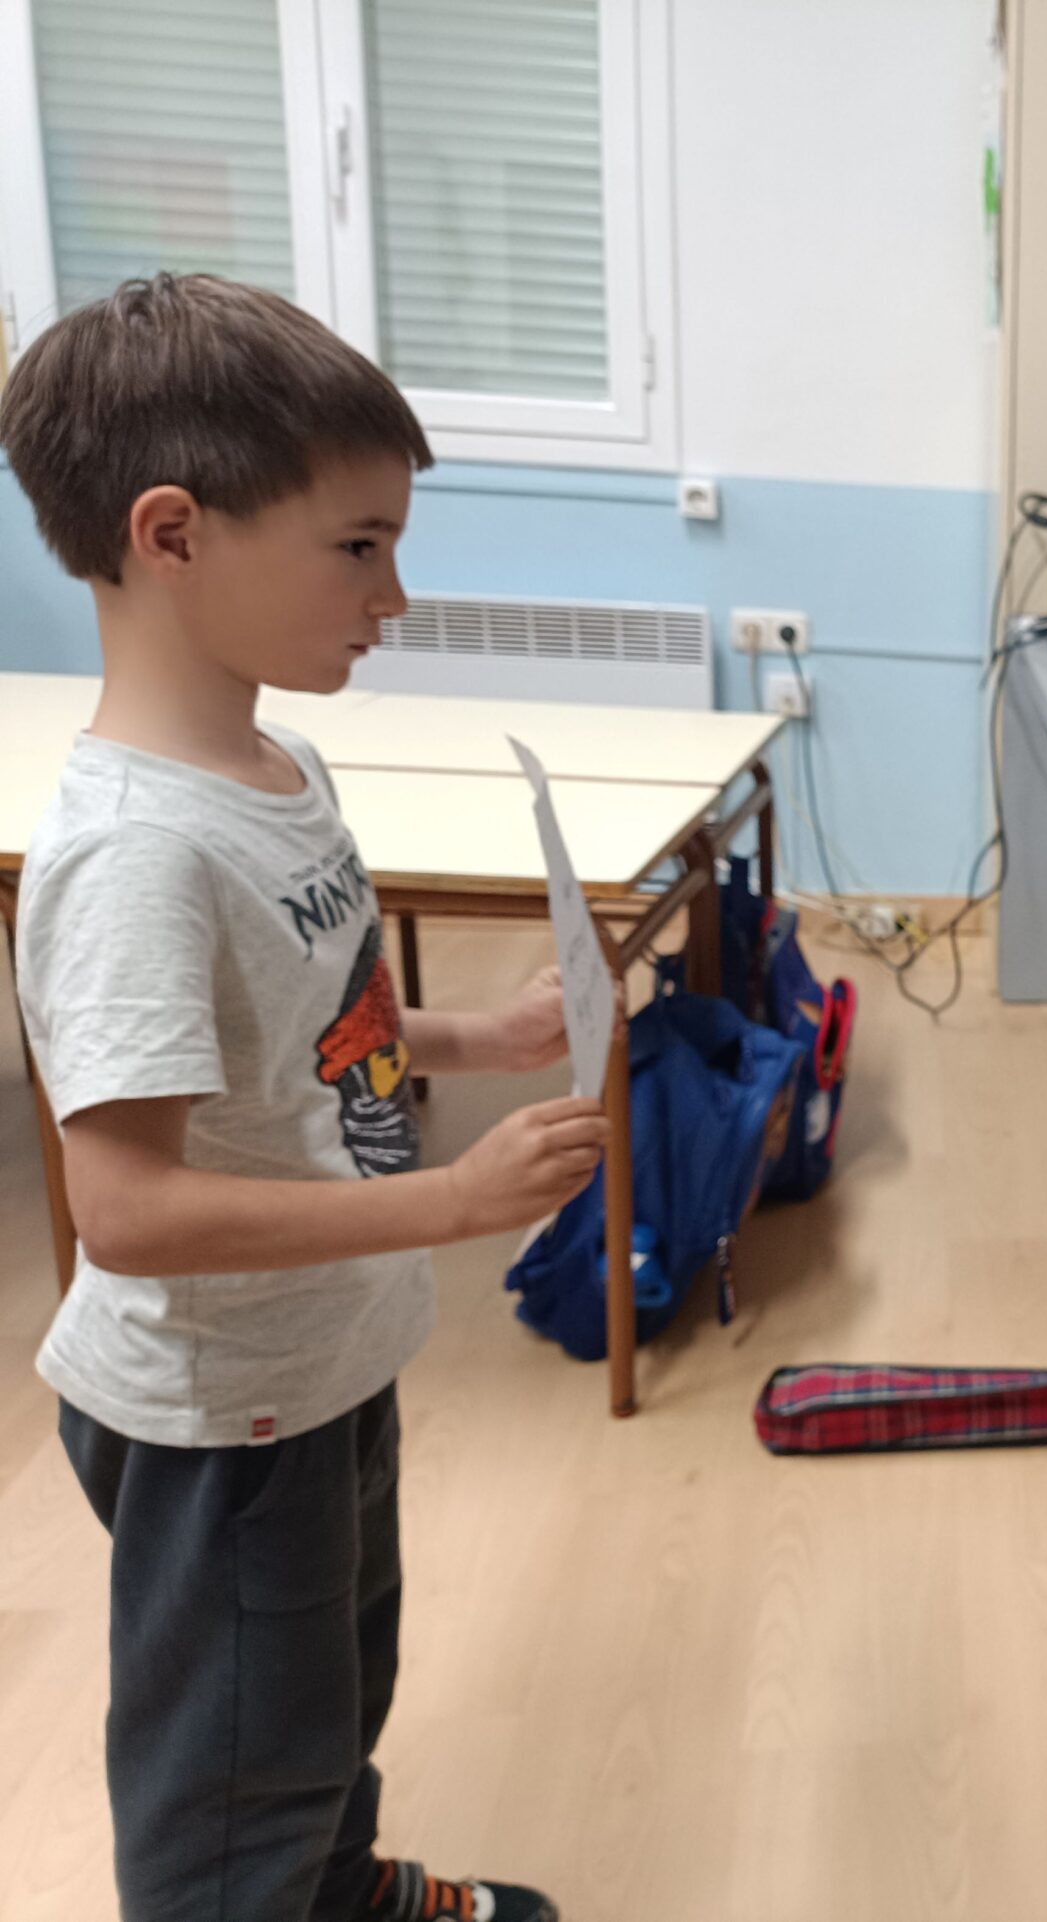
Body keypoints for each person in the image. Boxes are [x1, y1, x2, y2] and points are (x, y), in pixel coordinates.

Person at [1, 272, 608, 1922]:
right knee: (230, 1790)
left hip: (321, 1354)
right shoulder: (137, 854)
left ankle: (334, 1882)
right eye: (357, 546)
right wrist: (451, 1200)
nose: (392, 595)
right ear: (173, 535)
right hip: (223, 1416)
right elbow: (124, 1210)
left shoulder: (279, 771)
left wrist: (478, 1036)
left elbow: (319, 1027)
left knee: (330, 1687)